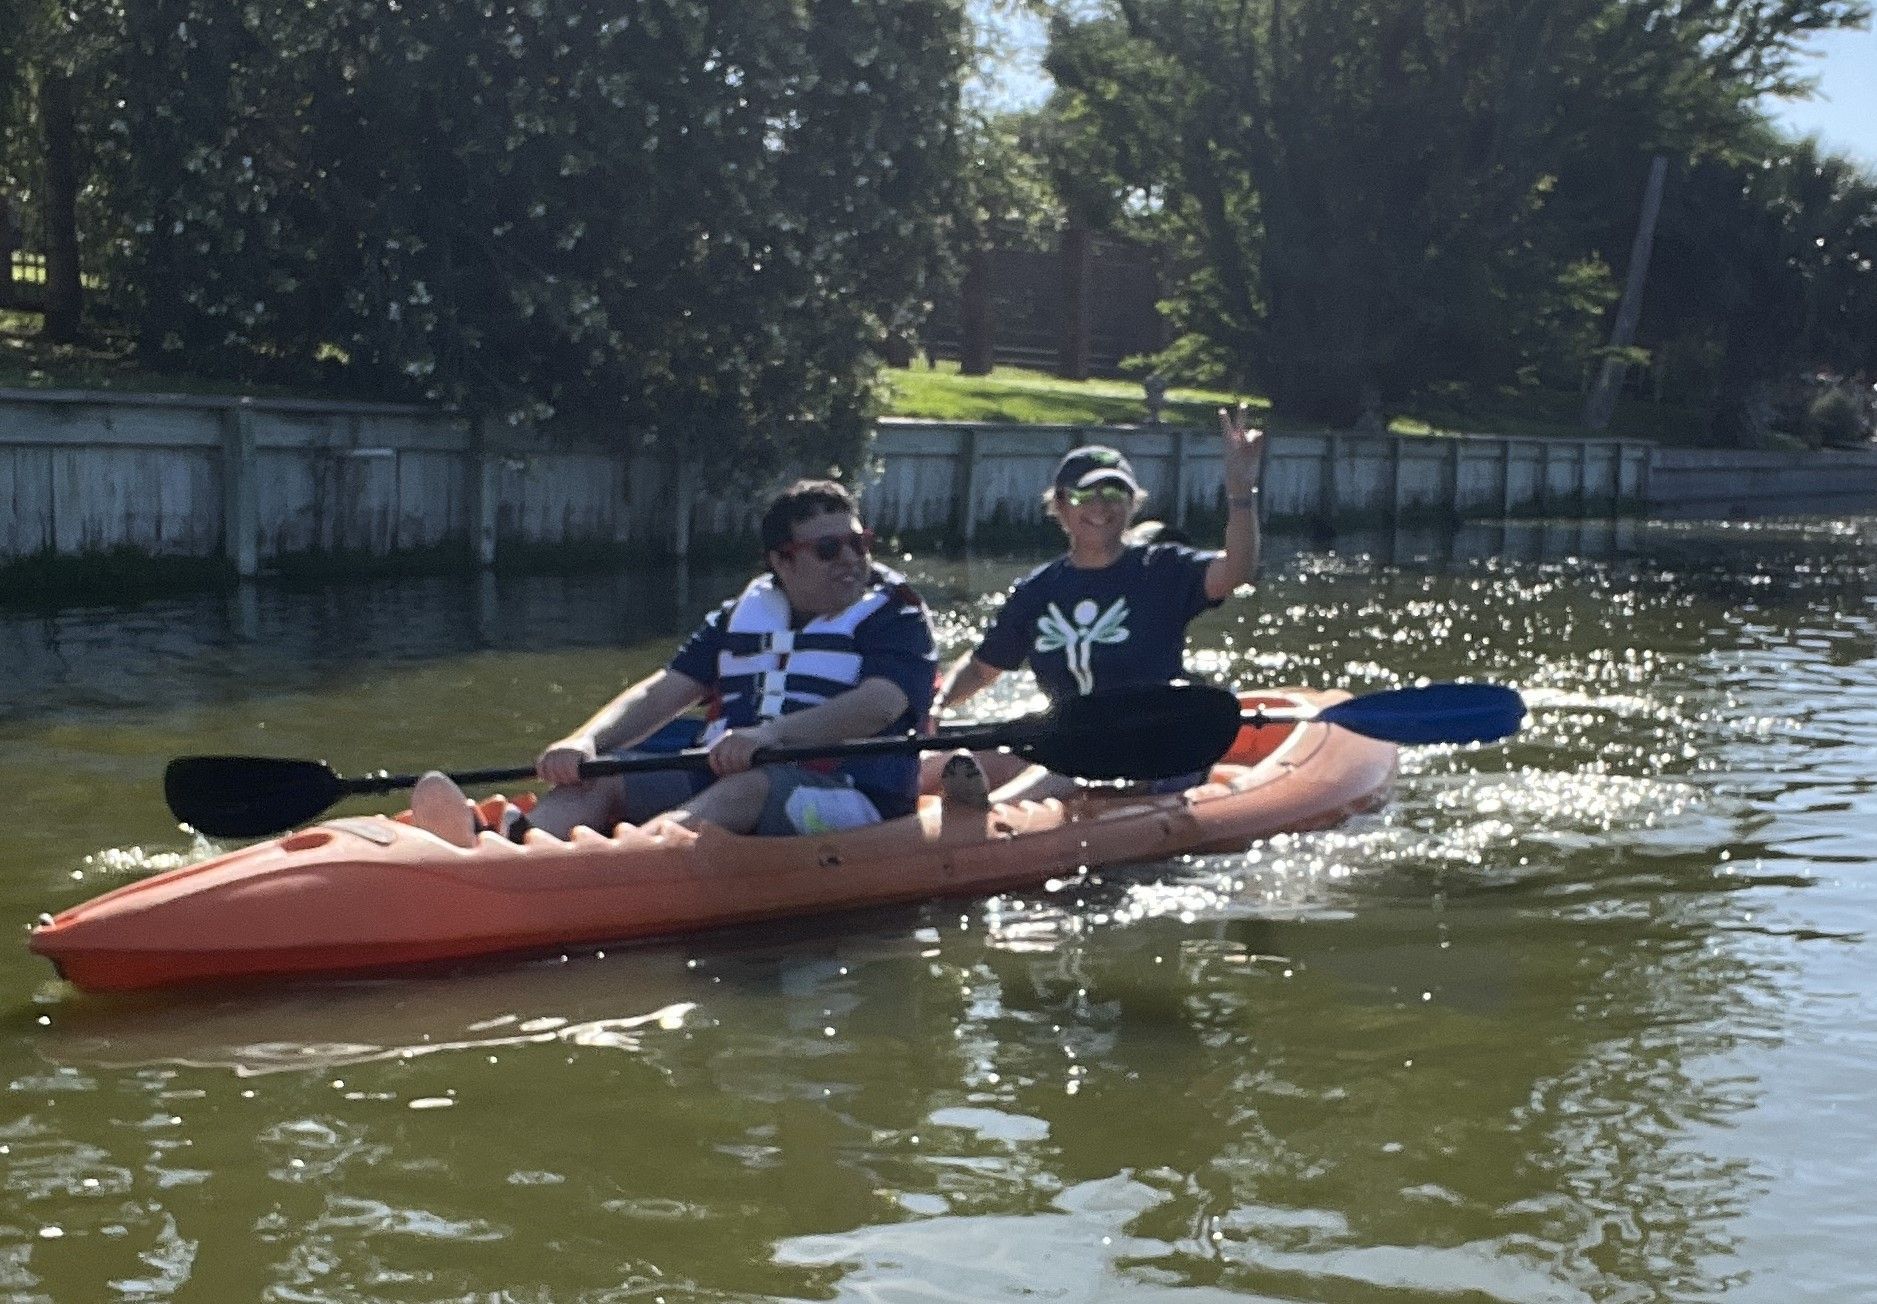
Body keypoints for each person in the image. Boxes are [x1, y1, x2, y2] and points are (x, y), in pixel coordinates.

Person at [410, 480, 938, 847]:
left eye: (858, 543)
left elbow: (880, 704)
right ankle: (512, 849)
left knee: (745, 787)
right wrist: (586, 742)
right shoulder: (741, 617)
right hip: (729, 774)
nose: (851, 559)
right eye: (828, 548)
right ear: (781, 560)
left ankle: (631, 860)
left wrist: (770, 736)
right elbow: (663, 691)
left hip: (856, 799)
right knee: (600, 777)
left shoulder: (895, 616)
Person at [932, 405, 1264, 807]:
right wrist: (935, 705)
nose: (1100, 506)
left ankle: (991, 814)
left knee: (1061, 771)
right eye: (1084, 494)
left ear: (1131, 503)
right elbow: (984, 668)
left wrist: (1240, 492)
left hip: (1151, 743)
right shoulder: (1039, 589)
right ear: (1060, 505)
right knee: (977, 754)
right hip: (1071, 742)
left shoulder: (1162, 569)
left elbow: (1238, 570)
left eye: (1113, 493)